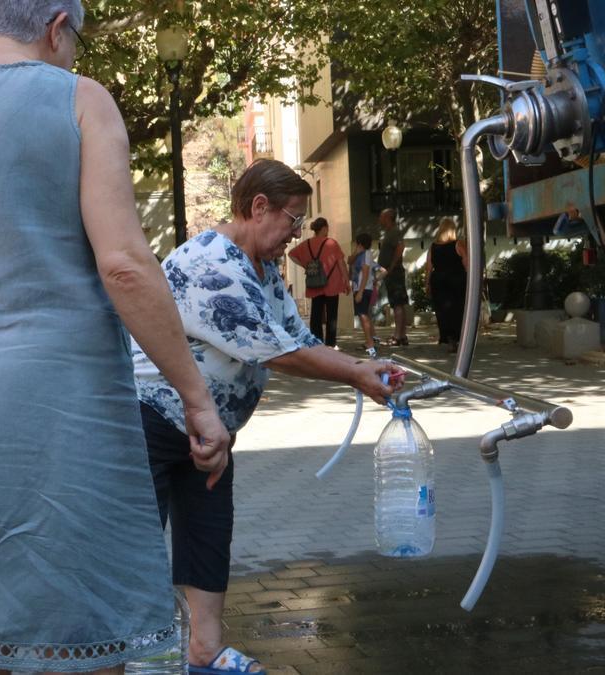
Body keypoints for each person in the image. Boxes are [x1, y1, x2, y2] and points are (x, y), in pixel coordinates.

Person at [0, 2, 231, 673]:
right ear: (58, 26)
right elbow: (122, 262)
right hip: (58, 411)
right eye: (77, 40)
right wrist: (194, 394)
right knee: (83, 633)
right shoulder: (81, 101)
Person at [132, 159, 403, 675]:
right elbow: (274, 351)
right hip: (150, 419)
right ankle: (131, 657)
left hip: (210, 428)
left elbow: (298, 338)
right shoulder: (211, 264)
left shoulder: (264, 271)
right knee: (138, 545)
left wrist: (362, 366)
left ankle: (205, 652)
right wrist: (354, 375)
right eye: (292, 221)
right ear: (259, 207)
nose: (295, 235)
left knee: (209, 533)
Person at [287, 217, 349, 348]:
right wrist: (346, 281)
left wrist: (305, 265)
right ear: (325, 228)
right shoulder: (332, 243)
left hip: (314, 282)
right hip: (332, 283)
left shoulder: (307, 243)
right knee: (332, 314)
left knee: (316, 314)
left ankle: (317, 342)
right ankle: (331, 344)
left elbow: (291, 254)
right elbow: (341, 263)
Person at [425, 216, 467, 352]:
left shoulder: (433, 247)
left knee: (443, 312)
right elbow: (467, 263)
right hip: (457, 281)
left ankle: (449, 337)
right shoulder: (458, 244)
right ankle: (458, 337)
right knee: (458, 310)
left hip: (439, 281)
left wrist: (427, 284)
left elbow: (429, 267)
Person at [377, 208, 410, 346]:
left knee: (397, 304)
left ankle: (398, 336)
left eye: (381, 217)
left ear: (388, 218)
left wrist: (391, 266)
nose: (379, 219)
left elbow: (400, 247)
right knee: (397, 304)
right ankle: (401, 335)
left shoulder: (394, 232)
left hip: (394, 273)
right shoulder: (390, 233)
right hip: (391, 273)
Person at [351, 232, 379, 358]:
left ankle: (370, 343)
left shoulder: (366, 255)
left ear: (360, 244)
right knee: (363, 315)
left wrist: (361, 291)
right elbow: (349, 260)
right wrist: (355, 253)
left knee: (363, 315)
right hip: (359, 288)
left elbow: (366, 272)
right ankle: (370, 340)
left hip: (364, 289)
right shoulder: (360, 255)